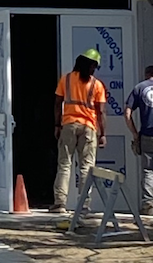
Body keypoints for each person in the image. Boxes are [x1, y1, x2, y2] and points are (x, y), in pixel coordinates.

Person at [49, 48, 107, 213]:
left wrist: (57, 125)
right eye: (94, 66)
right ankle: (84, 205)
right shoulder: (97, 85)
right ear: (92, 66)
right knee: (87, 168)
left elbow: (57, 103)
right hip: (88, 128)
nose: (94, 70)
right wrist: (102, 134)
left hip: (69, 125)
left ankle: (60, 203)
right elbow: (101, 111)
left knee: (64, 165)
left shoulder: (66, 79)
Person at [124, 65, 153, 216]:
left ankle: (148, 203)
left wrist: (135, 134)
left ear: (147, 74)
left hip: (147, 134)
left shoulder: (139, 88)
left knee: (148, 170)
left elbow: (127, 113)